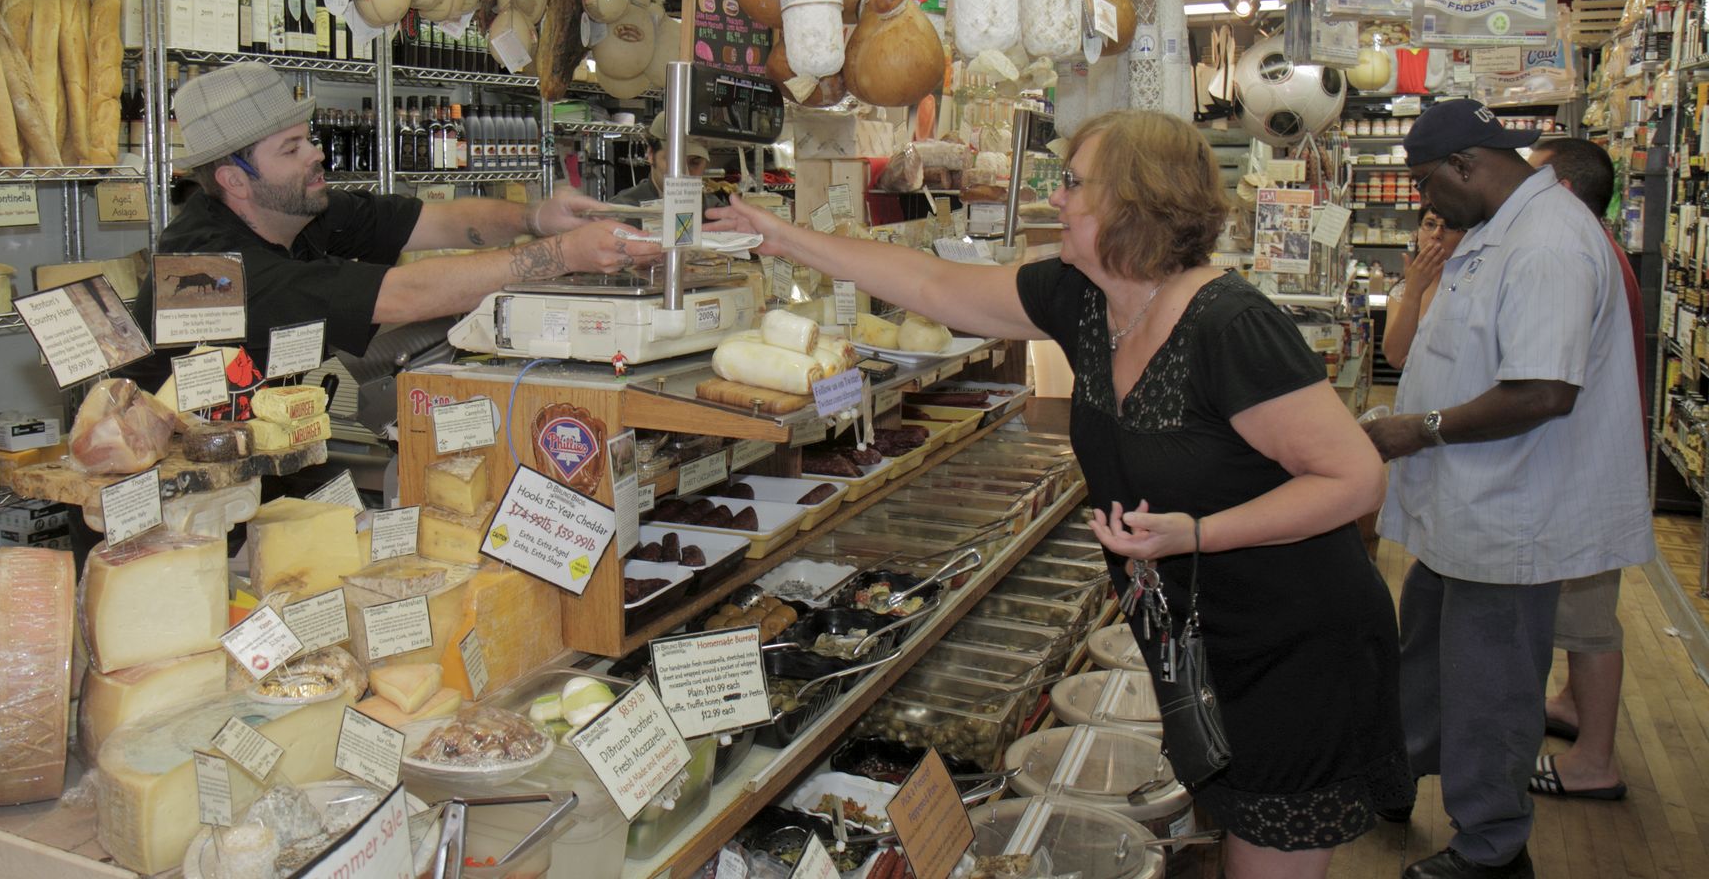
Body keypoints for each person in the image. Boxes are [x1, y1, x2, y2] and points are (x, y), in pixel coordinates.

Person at [707, 110, 1408, 879]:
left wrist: (1195, 535)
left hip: (1296, 649)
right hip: (1199, 641)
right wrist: (785, 236)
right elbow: (933, 284)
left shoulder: (1230, 326)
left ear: (1136, 202)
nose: (1058, 198)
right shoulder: (1083, 298)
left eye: (1075, 183)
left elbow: (1354, 477)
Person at [1365, 101, 1654, 879]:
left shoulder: (1549, 243)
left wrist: (1414, 428)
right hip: (1464, 508)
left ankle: (1493, 849)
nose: (1426, 201)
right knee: (1422, 653)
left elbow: (1541, 393)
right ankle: (1400, 775)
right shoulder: (1498, 228)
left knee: (1491, 687)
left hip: (1511, 513)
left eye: (1428, 182)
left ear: (1467, 164)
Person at [129, 63, 657, 398]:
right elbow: (404, 295)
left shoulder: (300, 209)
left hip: (272, 438)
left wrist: (535, 218)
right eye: (291, 149)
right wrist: (561, 254)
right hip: (181, 487)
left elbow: (434, 221)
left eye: (306, 138)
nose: (316, 154)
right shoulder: (210, 264)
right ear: (232, 181)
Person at [1524, 136, 1646, 804]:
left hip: (1589, 466)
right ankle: (1573, 704)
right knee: (1583, 609)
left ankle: (1596, 760)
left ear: (1565, 192)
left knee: (1592, 617)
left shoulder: (1578, 253)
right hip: (1593, 459)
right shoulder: (1602, 248)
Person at [1382, 206, 1466, 369]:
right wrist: (1413, 290)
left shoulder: (1470, 285)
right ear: (1418, 232)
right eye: (1430, 224)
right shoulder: (1402, 290)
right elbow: (1394, 357)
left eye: (1447, 226)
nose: (1436, 234)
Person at [610, 113, 727, 209]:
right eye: (674, 162)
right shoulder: (623, 210)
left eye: (694, 163)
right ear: (651, 155)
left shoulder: (714, 211)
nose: (684, 174)